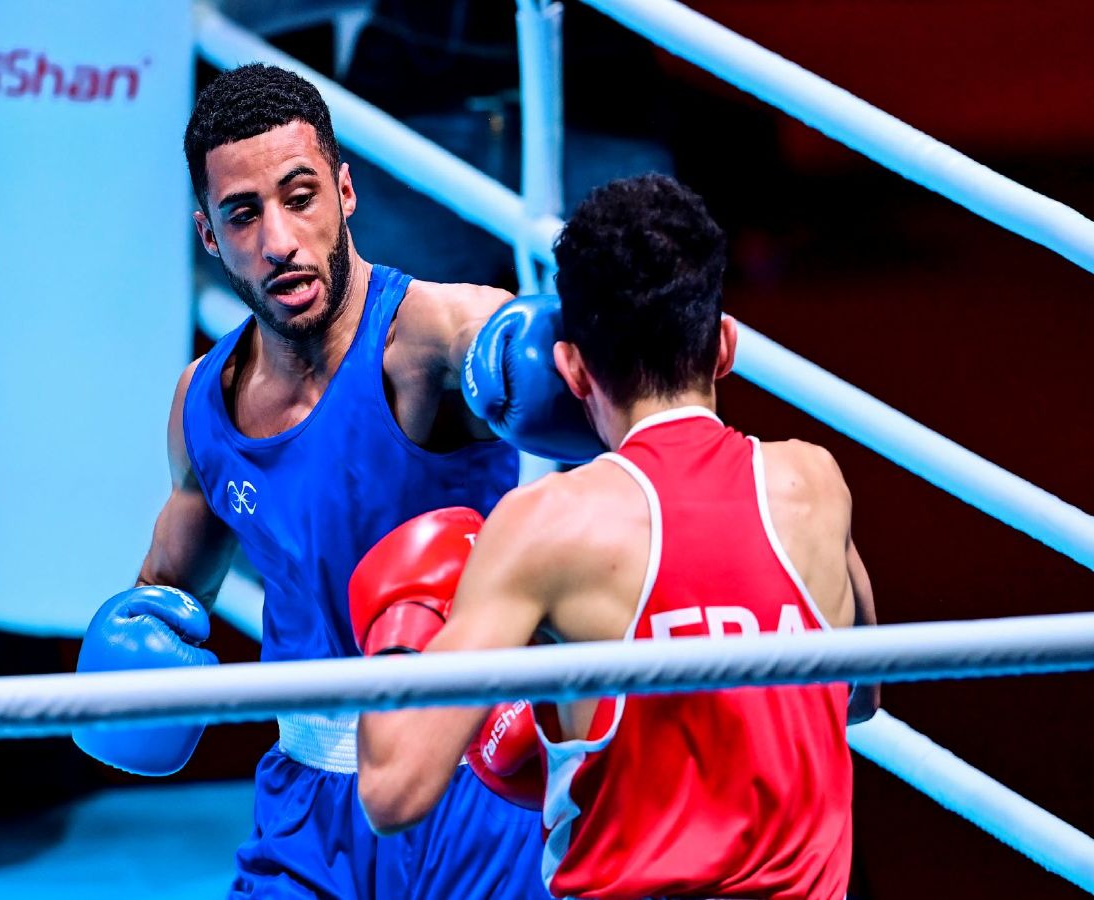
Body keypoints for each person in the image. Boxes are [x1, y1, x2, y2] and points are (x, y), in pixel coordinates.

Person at [71, 63, 564, 898]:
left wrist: (553, 353)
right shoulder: (204, 406)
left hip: (478, 791)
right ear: (208, 237)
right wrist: (136, 648)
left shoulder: (427, 341)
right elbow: (163, 597)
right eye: (243, 214)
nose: (279, 241)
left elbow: (536, 350)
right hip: (305, 813)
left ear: (345, 192)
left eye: (299, 197)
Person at [355, 174, 879, 899]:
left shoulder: (548, 524)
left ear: (572, 369)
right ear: (726, 345)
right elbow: (856, 697)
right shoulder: (813, 483)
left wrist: (403, 621)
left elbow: (392, 793)